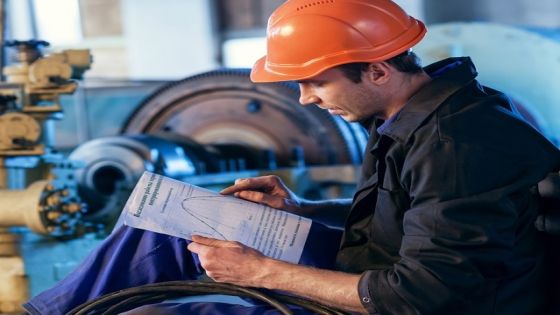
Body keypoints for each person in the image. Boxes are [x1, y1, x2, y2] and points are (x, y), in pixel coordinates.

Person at [24, 0, 560, 314]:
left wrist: (262, 272)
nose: (305, 99)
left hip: (416, 300)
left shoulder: (456, 144)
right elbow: (416, 214)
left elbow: (420, 293)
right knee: (162, 229)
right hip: (378, 266)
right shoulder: (409, 115)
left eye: (315, 82)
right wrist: (303, 209)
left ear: (377, 70)